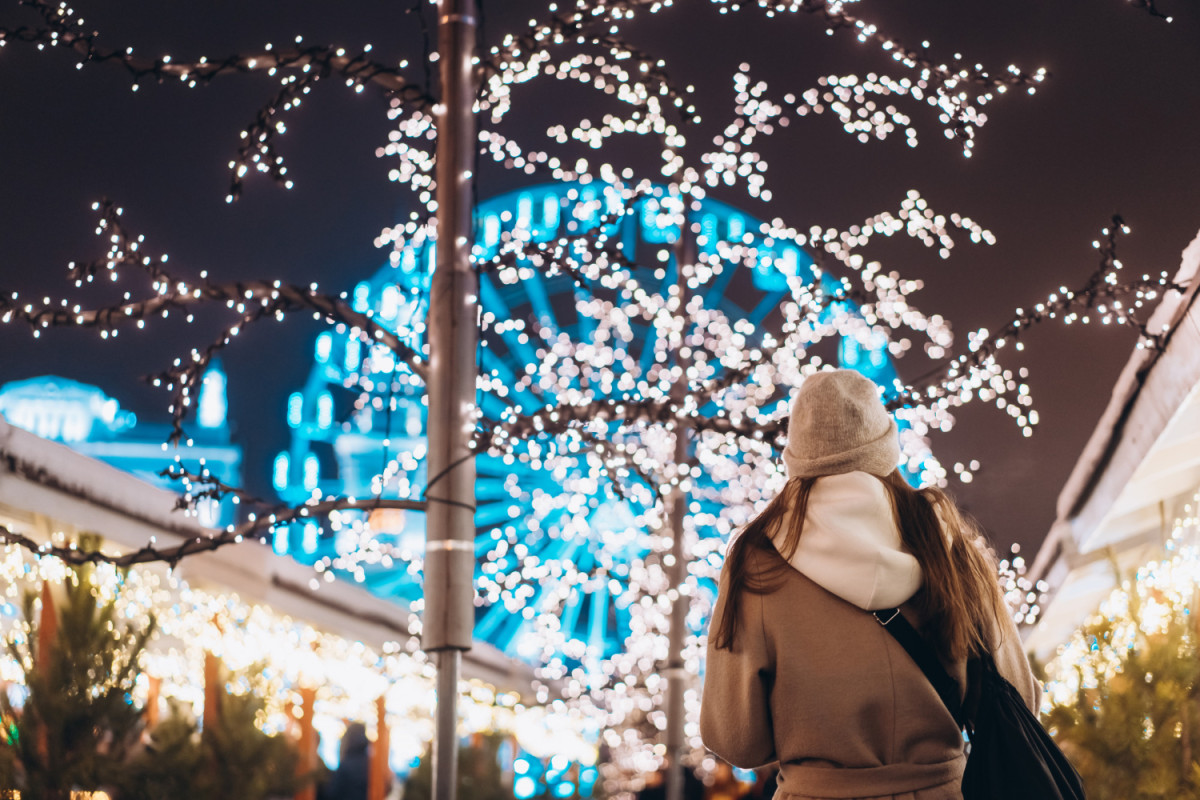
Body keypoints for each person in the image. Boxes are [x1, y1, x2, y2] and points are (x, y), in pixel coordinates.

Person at [700, 369, 1040, 800]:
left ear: (797, 454)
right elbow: (1017, 699)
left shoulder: (756, 560)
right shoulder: (946, 542)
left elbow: (735, 739)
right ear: (886, 446)